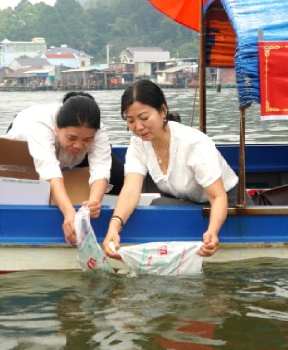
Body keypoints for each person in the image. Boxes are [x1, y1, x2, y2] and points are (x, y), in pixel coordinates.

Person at [101, 80, 239, 258]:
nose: (139, 127)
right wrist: (114, 227)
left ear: (163, 111)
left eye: (144, 118)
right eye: (131, 121)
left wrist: (212, 232)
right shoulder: (138, 144)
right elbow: (130, 190)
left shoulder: (193, 143)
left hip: (226, 204)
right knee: (158, 206)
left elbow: (218, 196)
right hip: (187, 204)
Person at [6, 92, 124, 244]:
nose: (79, 145)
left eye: (87, 139)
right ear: (57, 127)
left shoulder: (99, 130)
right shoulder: (39, 124)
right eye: (72, 138)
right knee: (41, 182)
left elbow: (101, 168)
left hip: (68, 155)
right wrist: (69, 213)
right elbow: (50, 171)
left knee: (119, 177)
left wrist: (94, 202)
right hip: (25, 149)